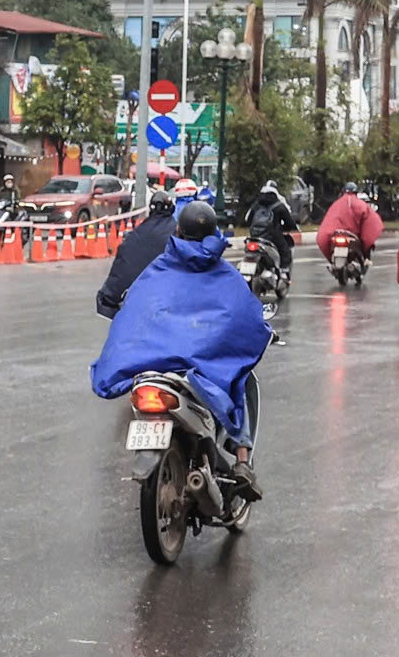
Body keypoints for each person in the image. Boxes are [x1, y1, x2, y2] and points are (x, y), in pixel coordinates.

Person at [91, 200, 275, 500]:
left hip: (153, 362)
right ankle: (242, 460)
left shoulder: (158, 268)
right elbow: (244, 316)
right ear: (214, 232)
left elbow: (134, 310)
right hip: (200, 367)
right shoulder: (224, 274)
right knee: (243, 378)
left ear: (177, 231)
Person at [99, 180, 196, 318]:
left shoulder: (136, 236)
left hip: (138, 305)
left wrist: (109, 299)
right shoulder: (178, 236)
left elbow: (118, 275)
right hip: (170, 304)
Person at [241, 178, 300, 278]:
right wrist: (287, 228)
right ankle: (284, 272)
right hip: (272, 237)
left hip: (255, 236)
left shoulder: (256, 204)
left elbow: (248, 219)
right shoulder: (279, 205)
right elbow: (290, 223)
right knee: (285, 250)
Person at [316, 181, 383, 264]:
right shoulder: (361, 204)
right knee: (367, 240)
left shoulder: (336, 204)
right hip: (351, 236)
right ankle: (366, 259)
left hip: (336, 234)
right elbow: (370, 223)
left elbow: (329, 221)